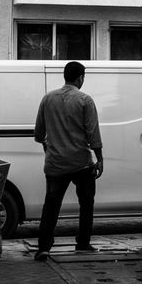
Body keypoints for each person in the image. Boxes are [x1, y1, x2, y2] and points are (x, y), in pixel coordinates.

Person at [33, 61, 104, 259]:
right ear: (80, 77)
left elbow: (39, 134)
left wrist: (49, 147)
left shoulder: (47, 99)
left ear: (65, 76)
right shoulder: (85, 100)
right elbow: (93, 133)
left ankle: (44, 247)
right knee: (86, 203)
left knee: (51, 205)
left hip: (55, 163)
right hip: (81, 162)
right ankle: (83, 243)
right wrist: (99, 158)